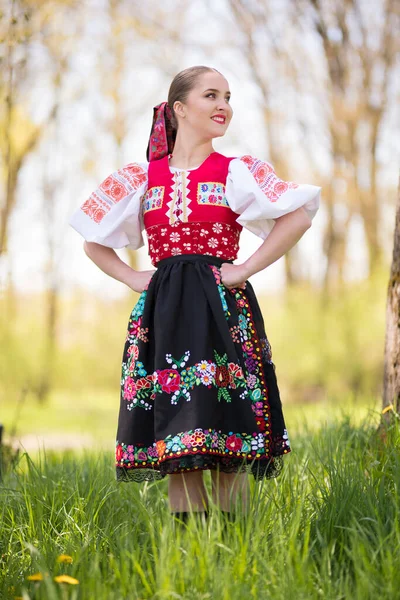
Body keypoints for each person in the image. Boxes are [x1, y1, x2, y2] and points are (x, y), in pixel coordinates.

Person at [69, 65, 321, 523]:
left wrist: (243, 268)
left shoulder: (235, 170)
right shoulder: (142, 177)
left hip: (221, 311)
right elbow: (92, 240)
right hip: (163, 316)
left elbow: (299, 215)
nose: (223, 105)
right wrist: (132, 277)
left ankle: (236, 552)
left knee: (228, 429)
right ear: (180, 108)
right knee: (177, 437)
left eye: (227, 97)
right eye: (211, 96)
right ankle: (192, 561)